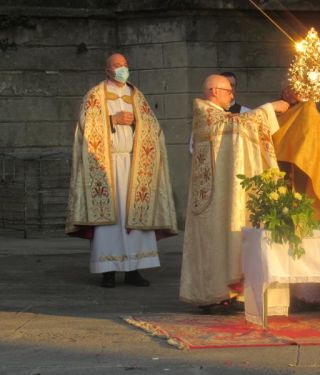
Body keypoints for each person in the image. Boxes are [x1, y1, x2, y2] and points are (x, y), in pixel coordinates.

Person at [65, 53, 178, 288]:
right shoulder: (95, 95)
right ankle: (108, 270)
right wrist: (112, 120)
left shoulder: (137, 96)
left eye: (125, 65)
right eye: (117, 66)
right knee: (110, 220)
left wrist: (137, 122)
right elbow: (86, 125)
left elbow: (153, 127)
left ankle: (134, 270)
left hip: (135, 164)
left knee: (134, 217)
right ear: (107, 70)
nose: (122, 69)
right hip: (107, 166)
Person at [180, 74, 289, 312]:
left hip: (214, 194)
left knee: (220, 244)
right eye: (229, 91)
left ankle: (222, 294)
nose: (232, 95)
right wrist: (269, 109)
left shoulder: (214, 114)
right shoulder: (206, 112)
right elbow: (233, 126)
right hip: (212, 198)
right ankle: (212, 295)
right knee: (215, 244)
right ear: (213, 91)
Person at [273, 84, 320, 221]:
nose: (287, 94)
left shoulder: (308, 112)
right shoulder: (280, 115)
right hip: (283, 169)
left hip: (305, 171)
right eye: (285, 91)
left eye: (292, 90)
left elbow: (311, 147)